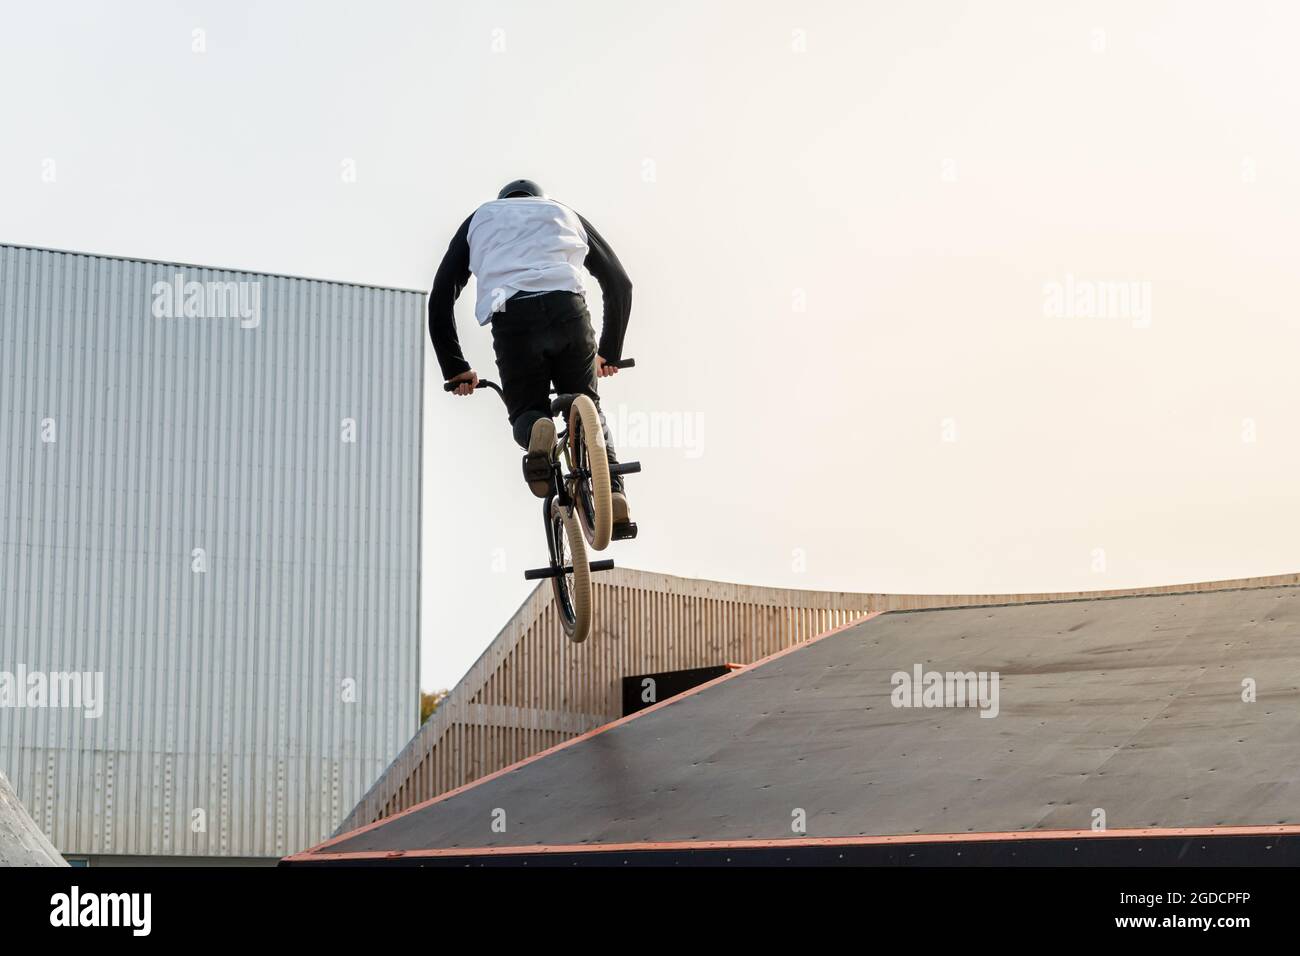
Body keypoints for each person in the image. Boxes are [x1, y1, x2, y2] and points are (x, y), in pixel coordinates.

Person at [428, 179, 633, 523]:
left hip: (514, 319)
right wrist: (609, 351)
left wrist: (456, 368)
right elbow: (619, 283)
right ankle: (612, 489)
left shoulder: (481, 218)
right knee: (589, 406)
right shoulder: (563, 214)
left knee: (525, 410)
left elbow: (441, 296)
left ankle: (537, 427)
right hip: (568, 311)